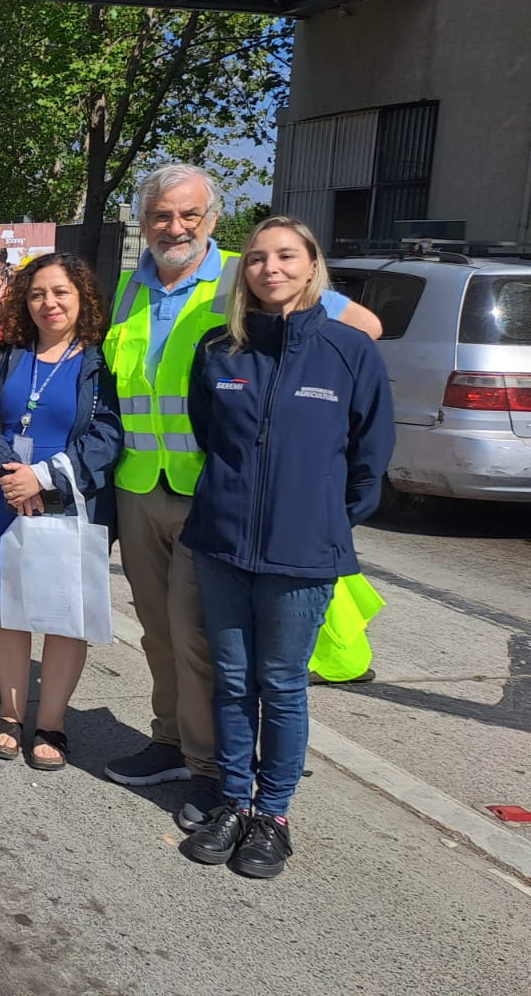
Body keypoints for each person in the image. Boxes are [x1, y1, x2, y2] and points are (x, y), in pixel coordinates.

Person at [101, 164, 380, 814]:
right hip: (141, 486)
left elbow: (359, 328)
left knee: (200, 640)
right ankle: (170, 741)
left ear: (211, 220)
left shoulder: (248, 272)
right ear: (144, 223)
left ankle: (210, 770)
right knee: (158, 632)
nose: (174, 227)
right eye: (161, 216)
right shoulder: (125, 290)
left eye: (188, 215)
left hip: (219, 500)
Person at [180, 216, 393, 878]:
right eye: (257, 258)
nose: (270, 267)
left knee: (283, 683)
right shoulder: (221, 350)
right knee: (235, 678)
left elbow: (370, 453)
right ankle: (234, 801)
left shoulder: (348, 351)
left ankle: (274, 815)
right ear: (244, 273)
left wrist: (326, 517)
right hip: (221, 544)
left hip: (303, 554)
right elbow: (207, 432)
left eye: (286, 256)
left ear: (311, 266)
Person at [0, 254, 122, 768]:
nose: (48, 303)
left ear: (83, 300)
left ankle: (51, 722)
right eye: (37, 294)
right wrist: (13, 474)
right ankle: (9, 714)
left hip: (70, 502)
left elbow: (108, 434)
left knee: (63, 614)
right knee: (7, 610)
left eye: (61, 293)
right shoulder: (7, 356)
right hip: (4, 496)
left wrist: (44, 476)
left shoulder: (99, 362)